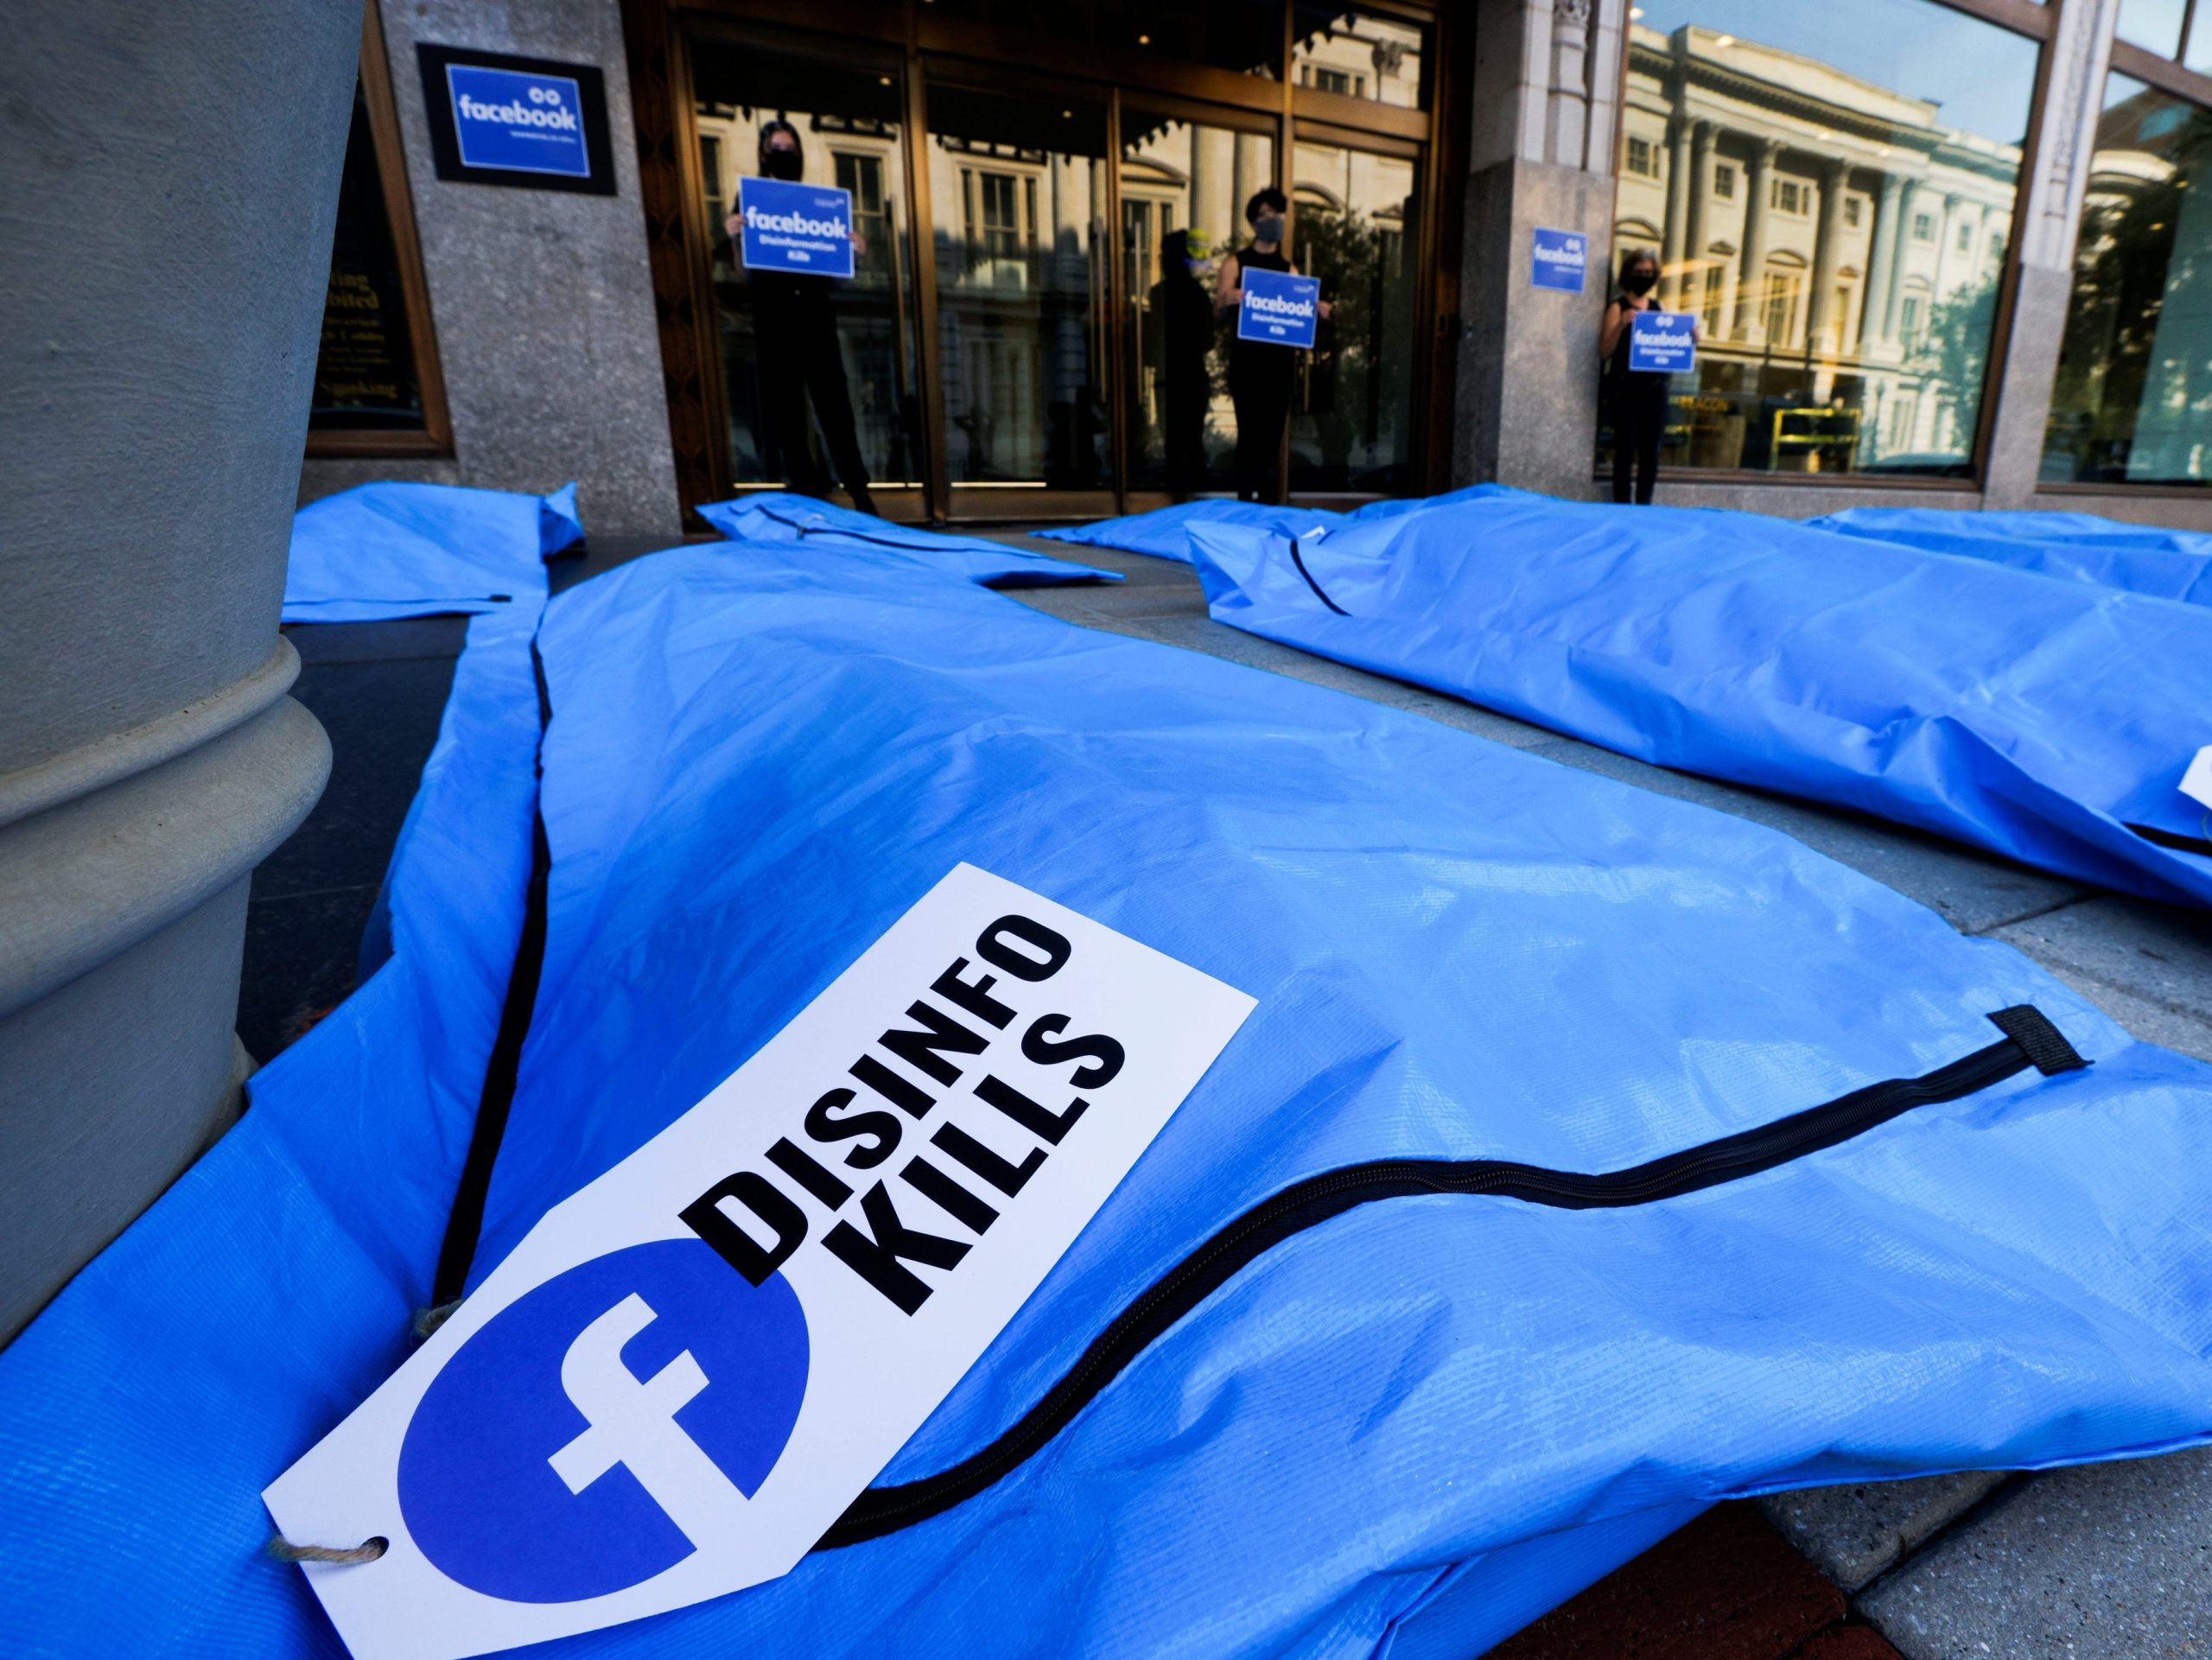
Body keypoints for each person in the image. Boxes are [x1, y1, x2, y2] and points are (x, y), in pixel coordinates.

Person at [723, 120, 875, 515]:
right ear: (762, 153)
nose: (783, 154)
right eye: (776, 147)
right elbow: (745, 273)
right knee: (786, 404)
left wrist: (855, 253)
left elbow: (833, 272)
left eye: (789, 148)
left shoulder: (816, 203)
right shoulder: (747, 200)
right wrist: (735, 239)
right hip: (773, 313)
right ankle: (807, 489)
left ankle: (858, 490)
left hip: (814, 310)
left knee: (834, 402)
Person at [1216, 188, 1330, 504]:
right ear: (1254, 222)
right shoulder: (1236, 264)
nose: (1275, 221)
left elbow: (1299, 313)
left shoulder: (1288, 268)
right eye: (1268, 215)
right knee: (1248, 437)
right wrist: (1226, 299)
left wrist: (1317, 310)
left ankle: (1266, 506)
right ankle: (1243, 501)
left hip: (1278, 368)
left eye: (1280, 215)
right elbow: (1219, 312)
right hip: (1247, 365)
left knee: (1270, 441)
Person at [1598, 248, 1694, 506]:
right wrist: (1621, 324)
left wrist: (1690, 337)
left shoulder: (1658, 307)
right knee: (1625, 450)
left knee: (1650, 452)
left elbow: (1668, 342)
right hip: (1626, 390)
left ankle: (1644, 504)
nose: (1644, 276)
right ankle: (1622, 504)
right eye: (1639, 272)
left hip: (1655, 389)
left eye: (1649, 272)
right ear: (1629, 273)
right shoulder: (1618, 308)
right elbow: (1605, 350)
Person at [1148, 228, 1215, 497]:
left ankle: (1178, 497)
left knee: (1175, 446)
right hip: (1188, 376)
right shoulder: (1198, 295)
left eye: (1165, 256)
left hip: (1172, 376)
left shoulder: (1160, 294)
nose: (1162, 262)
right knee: (1191, 443)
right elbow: (1208, 342)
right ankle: (1193, 497)